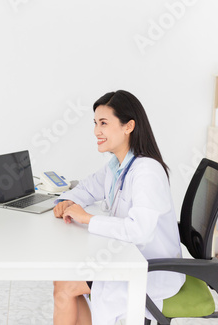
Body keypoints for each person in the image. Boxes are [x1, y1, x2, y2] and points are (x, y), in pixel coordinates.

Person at [52, 90, 185, 325]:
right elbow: (87, 189)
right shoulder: (118, 165)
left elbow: (140, 231)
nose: (96, 131)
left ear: (128, 126)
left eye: (104, 123)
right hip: (128, 258)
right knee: (64, 282)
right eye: (95, 123)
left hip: (152, 270)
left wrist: (87, 219)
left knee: (65, 286)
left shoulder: (147, 172)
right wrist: (65, 202)